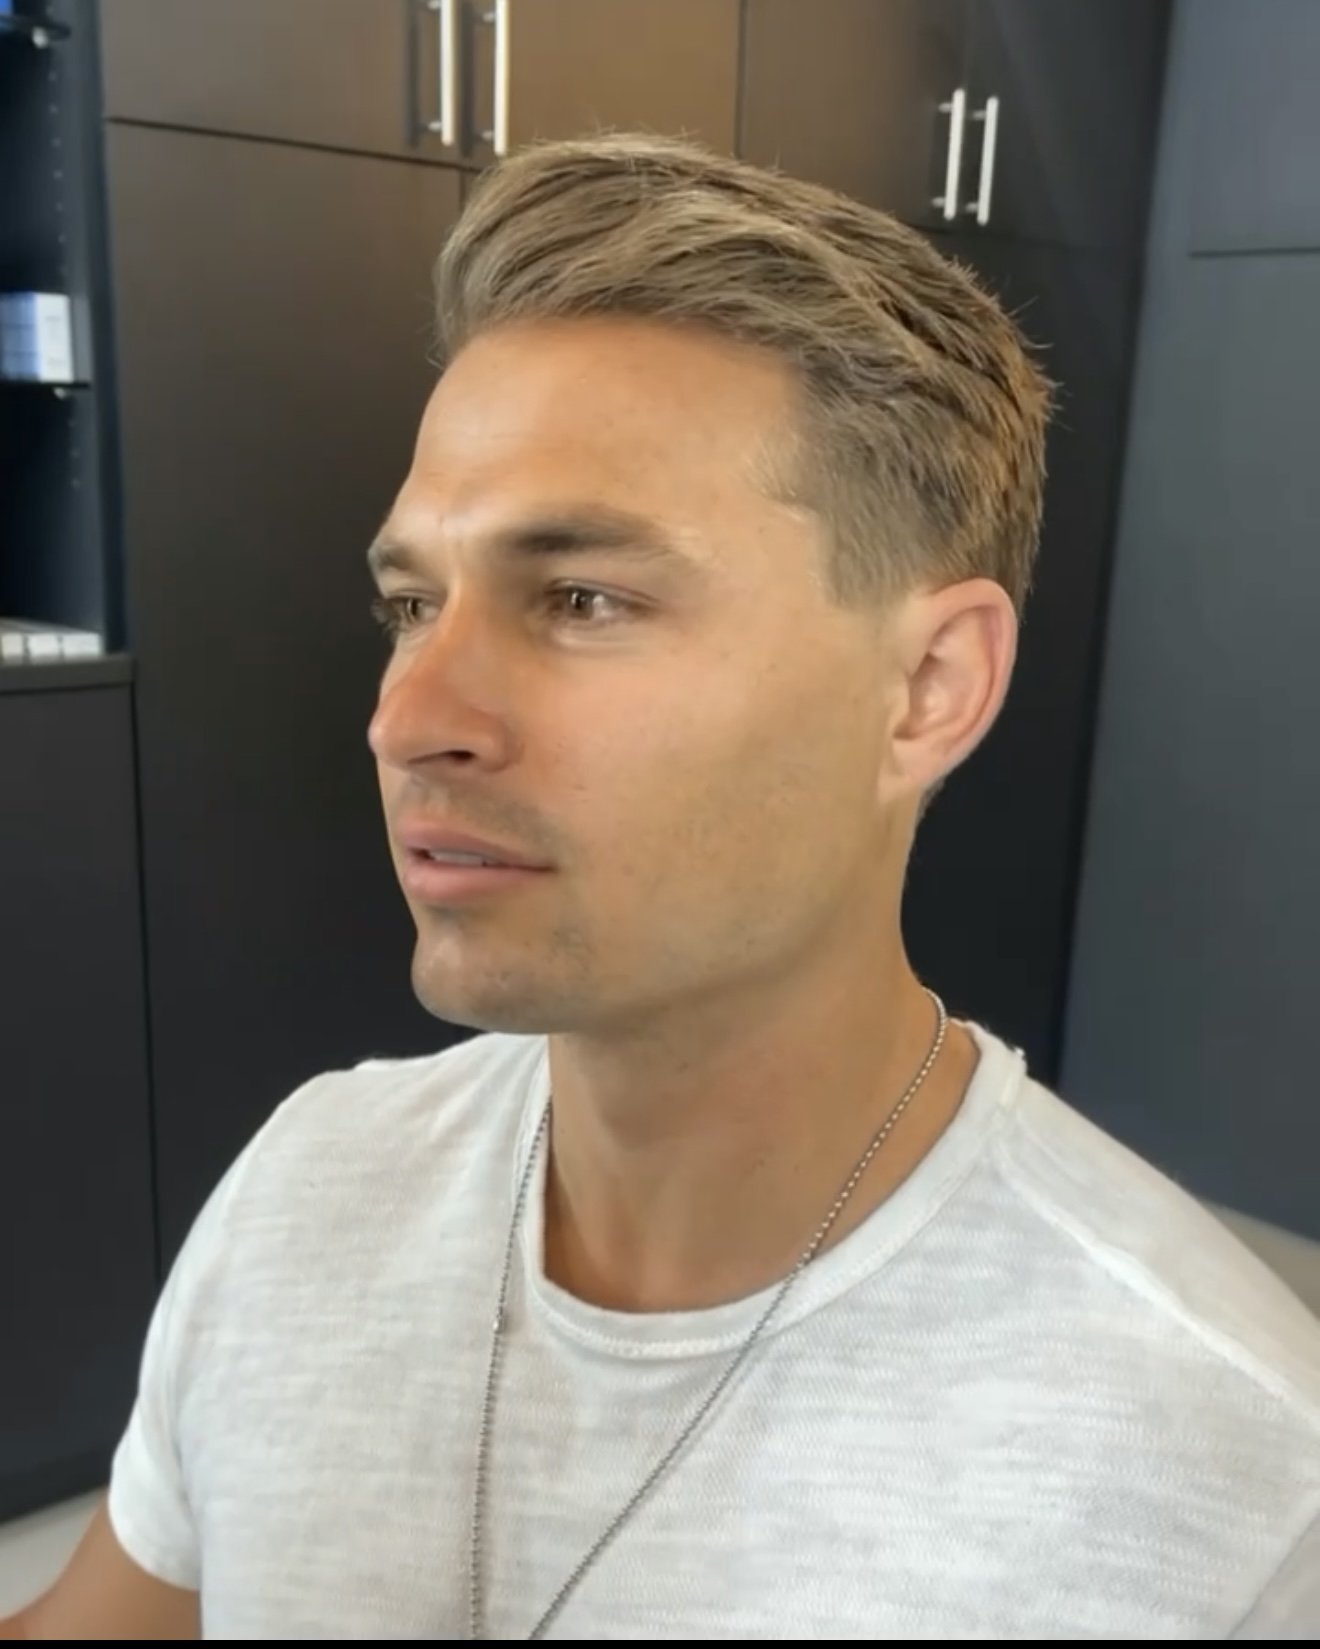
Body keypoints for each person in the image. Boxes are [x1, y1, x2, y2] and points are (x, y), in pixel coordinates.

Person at [5, 132, 1318, 1642]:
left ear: (927, 688)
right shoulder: (311, 1185)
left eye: (583, 598)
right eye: (412, 603)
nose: (409, 718)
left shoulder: (1229, 1481)